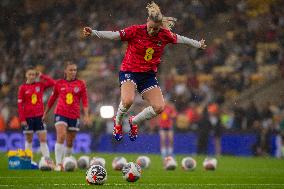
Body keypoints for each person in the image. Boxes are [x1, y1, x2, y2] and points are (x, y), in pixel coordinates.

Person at [83, 1, 206, 141]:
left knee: (159, 107)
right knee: (128, 100)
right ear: (147, 20)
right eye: (151, 27)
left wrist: (198, 44)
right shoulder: (135, 30)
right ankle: (117, 124)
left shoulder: (164, 34)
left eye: (156, 29)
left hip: (147, 75)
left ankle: (133, 121)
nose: (153, 31)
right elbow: (114, 35)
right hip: (129, 70)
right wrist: (94, 32)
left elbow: (182, 39)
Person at [43, 61, 89, 171]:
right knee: (61, 135)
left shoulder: (81, 84)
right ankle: (58, 164)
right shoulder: (59, 83)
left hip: (74, 115)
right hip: (60, 113)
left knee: (69, 141)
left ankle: (66, 162)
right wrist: (45, 112)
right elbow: (52, 99)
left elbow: (85, 100)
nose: (73, 72)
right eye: (71, 70)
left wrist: (86, 115)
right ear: (65, 71)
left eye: (75, 70)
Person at [17, 67, 55, 158]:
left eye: (33, 74)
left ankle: (47, 160)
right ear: (26, 75)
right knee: (29, 140)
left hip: (39, 117)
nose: (32, 76)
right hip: (28, 117)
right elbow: (20, 105)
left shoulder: (40, 85)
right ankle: (28, 160)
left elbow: (53, 83)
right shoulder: (22, 88)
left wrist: (42, 75)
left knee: (43, 139)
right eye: (30, 74)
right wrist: (22, 119)